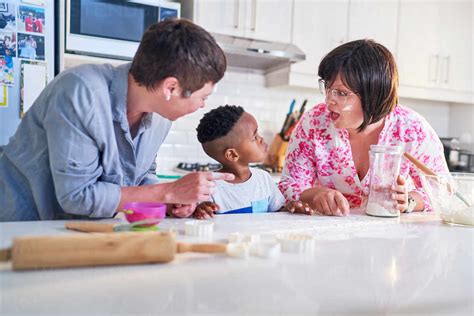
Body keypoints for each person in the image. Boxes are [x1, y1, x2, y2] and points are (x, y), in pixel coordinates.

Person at [0, 18, 232, 221]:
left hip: (76, 230)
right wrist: (167, 191)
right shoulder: (81, 92)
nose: (203, 104)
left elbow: (142, 175)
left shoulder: (160, 116)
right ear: (170, 87)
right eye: (203, 96)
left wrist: (172, 199)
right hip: (21, 226)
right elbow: (77, 196)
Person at [278, 39, 449, 216]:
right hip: (328, 231)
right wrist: (316, 195)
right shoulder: (314, 122)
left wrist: (409, 201)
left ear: (373, 95)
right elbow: (289, 184)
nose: (328, 100)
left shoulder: (413, 129)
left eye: (342, 93)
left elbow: (444, 190)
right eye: (327, 88)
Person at [193, 105, 315, 219]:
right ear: (232, 154)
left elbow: (277, 211)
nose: (261, 139)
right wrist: (199, 210)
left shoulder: (263, 179)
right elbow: (197, 218)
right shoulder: (210, 188)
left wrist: (291, 208)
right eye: (254, 137)